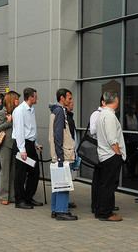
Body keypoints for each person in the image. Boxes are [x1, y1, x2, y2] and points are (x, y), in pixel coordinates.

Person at [93, 91, 125, 222]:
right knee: (109, 186)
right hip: (111, 155)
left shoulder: (101, 115)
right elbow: (112, 139)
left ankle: (101, 210)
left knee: (104, 185)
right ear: (115, 100)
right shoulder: (110, 116)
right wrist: (118, 154)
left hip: (104, 154)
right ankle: (106, 213)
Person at [48, 88, 78, 221]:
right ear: (62, 98)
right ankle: (61, 211)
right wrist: (60, 157)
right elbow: (58, 135)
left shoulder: (56, 111)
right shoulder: (60, 111)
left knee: (57, 183)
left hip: (60, 154)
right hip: (63, 155)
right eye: (69, 98)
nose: (71, 101)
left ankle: (55, 209)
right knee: (63, 183)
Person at [11, 87, 44, 209]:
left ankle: (28, 197)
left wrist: (36, 143)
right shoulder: (20, 111)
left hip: (30, 144)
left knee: (34, 172)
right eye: (35, 96)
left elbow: (31, 129)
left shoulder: (31, 109)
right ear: (30, 97)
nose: (37, 98)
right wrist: (22, 150)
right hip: (22, 145)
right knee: (20, 174)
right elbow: (19, 131)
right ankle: (19, 200)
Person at [0, 91, 19, 205]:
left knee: (13, 171)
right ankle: (4, 195)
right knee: (5, 170)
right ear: (11, 100)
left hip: (15, 144)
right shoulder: (2, 112)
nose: (18, 101)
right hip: (5, 144)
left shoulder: (17, 112)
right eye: (16, 99)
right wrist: (9, 122)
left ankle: (12, 195)